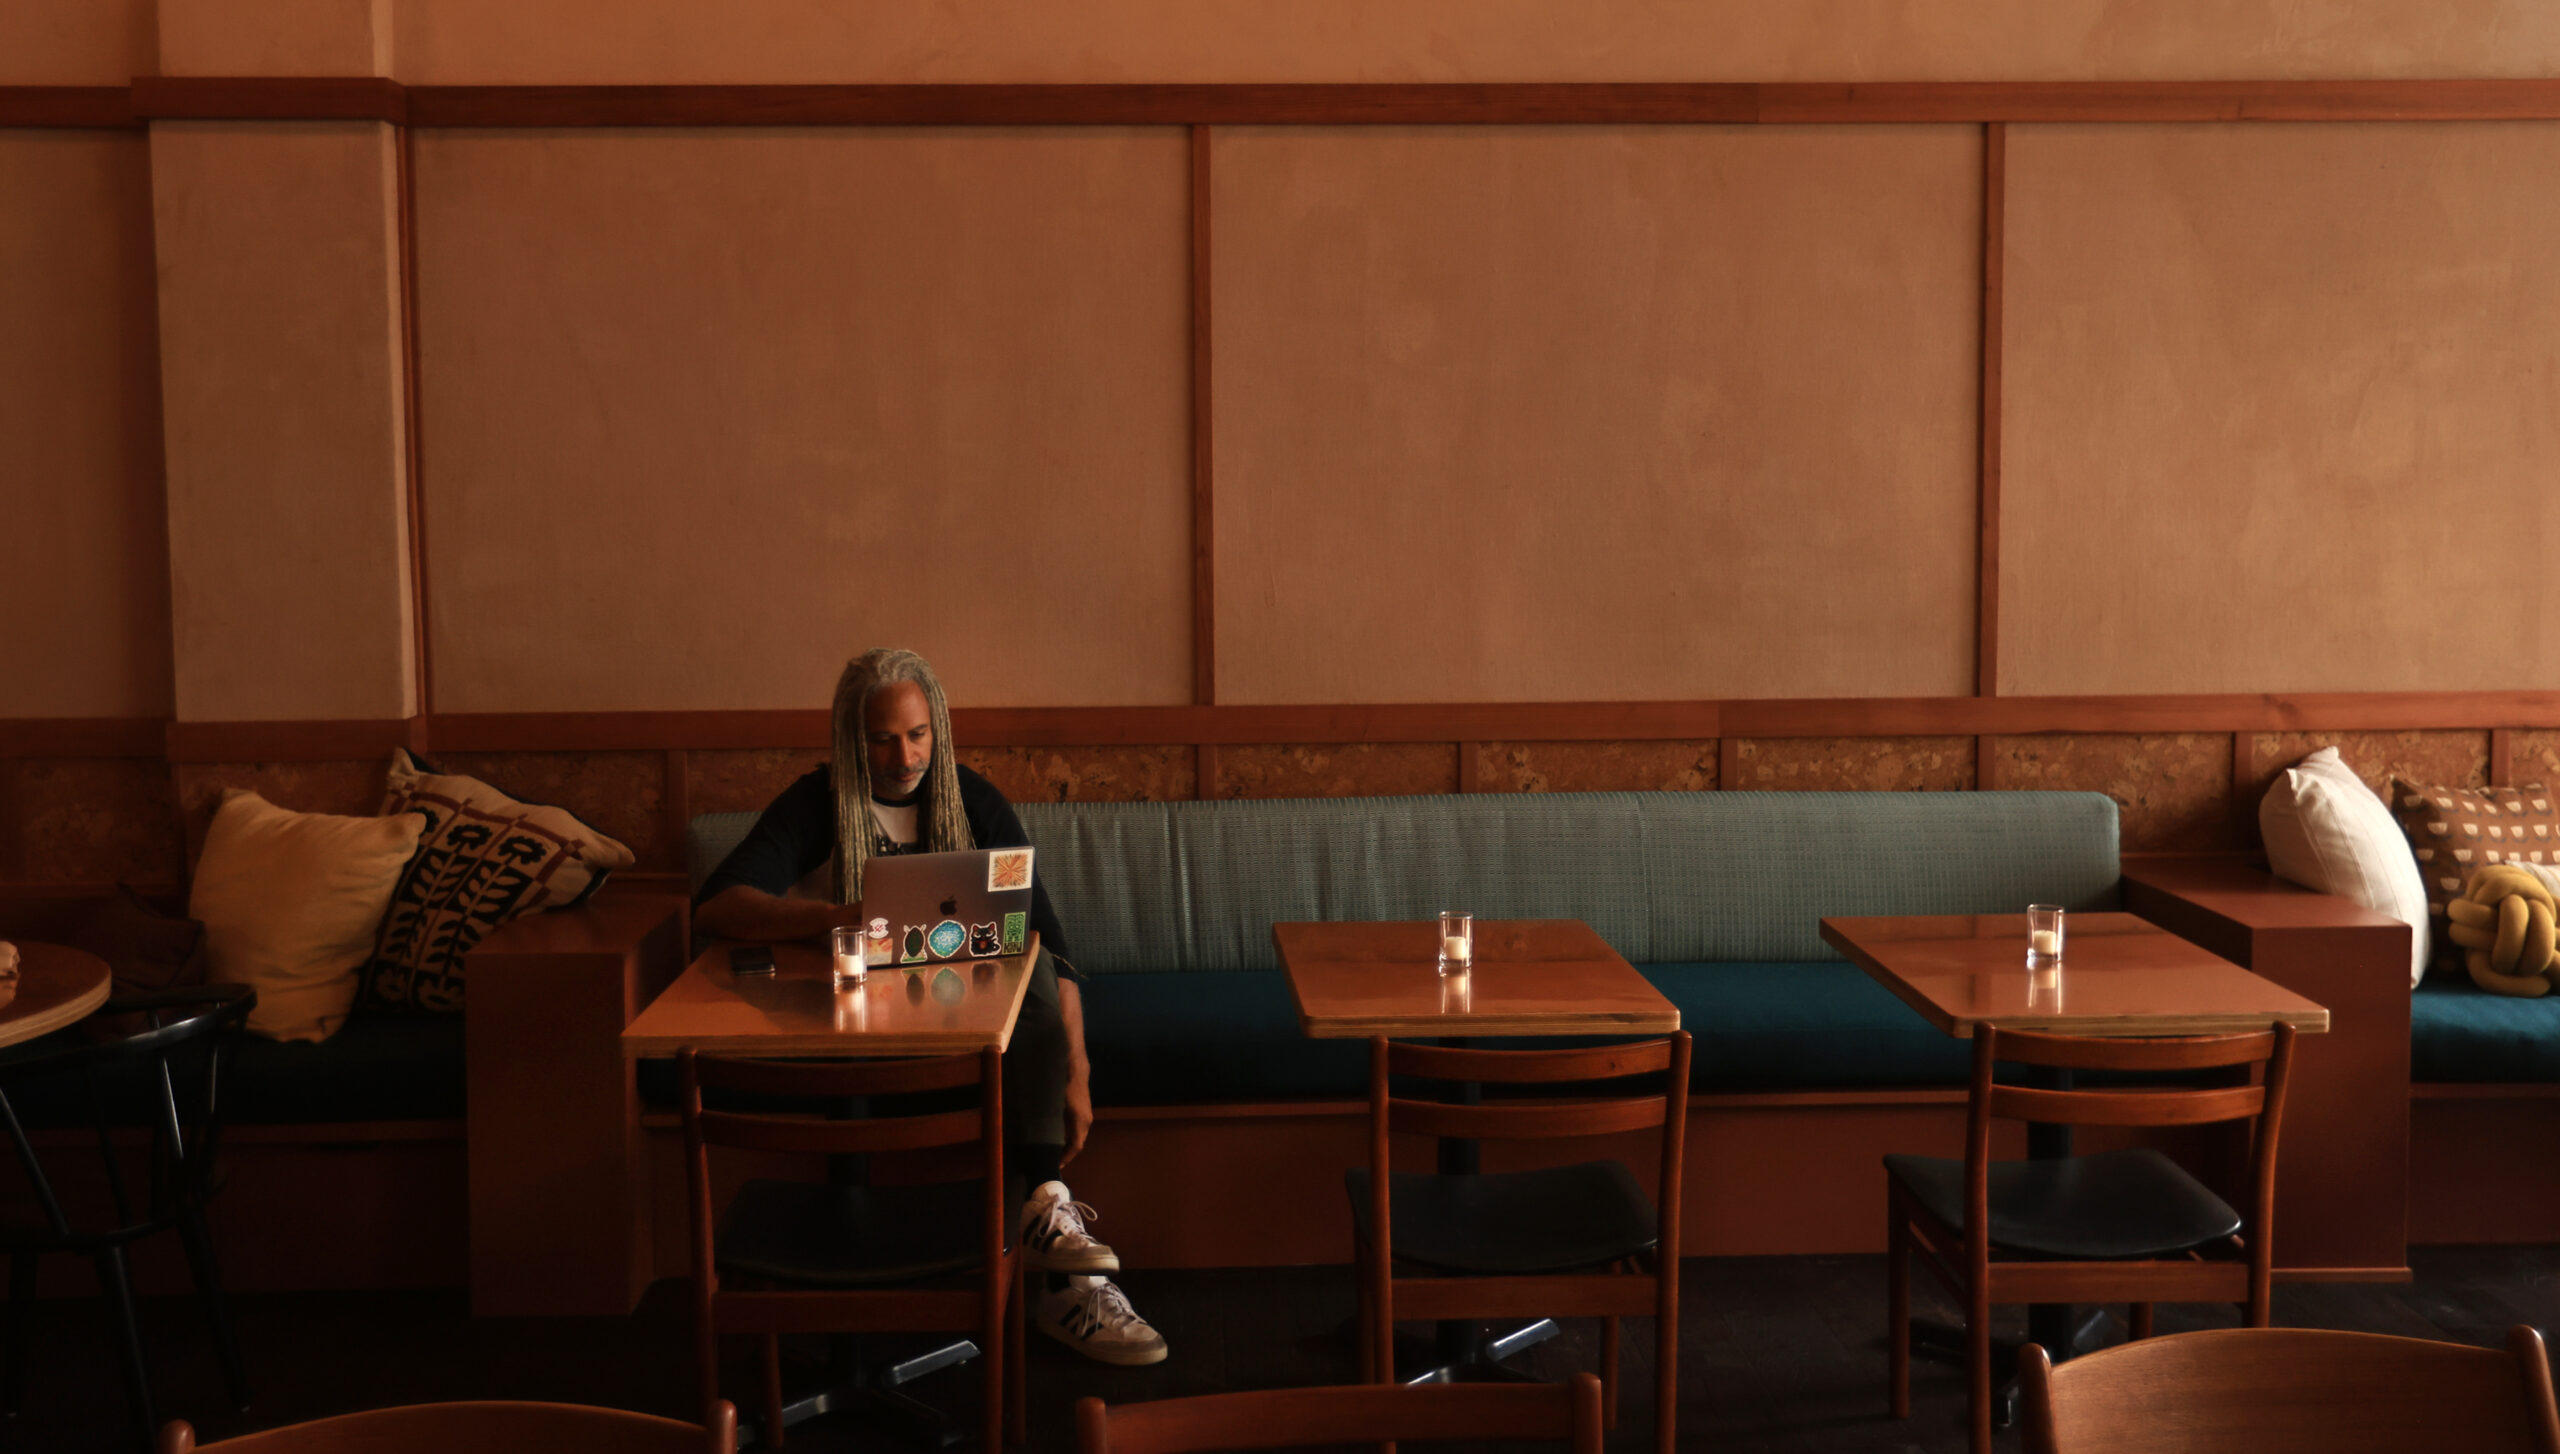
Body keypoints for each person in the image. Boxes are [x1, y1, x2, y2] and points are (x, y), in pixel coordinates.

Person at [694, 647, 1167, 1367]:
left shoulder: (973, 801)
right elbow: (720, 904)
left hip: (971, 1035)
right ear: (854, 741)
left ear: (937, 731)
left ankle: (1049, 1218)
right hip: (859, 1028)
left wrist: (1077, 1068)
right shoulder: (820, 802)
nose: (903, 755)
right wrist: (832, 916)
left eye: (917, 735)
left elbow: (1051, 942)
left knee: (1031, 958)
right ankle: (1048, 1225)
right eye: (883, 738)